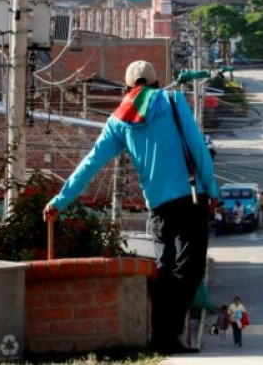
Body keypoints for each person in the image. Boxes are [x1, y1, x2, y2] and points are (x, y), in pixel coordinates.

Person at [43, 60, 218, 355]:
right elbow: (198, 147)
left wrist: (60, 200)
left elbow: (91, 163)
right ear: (156, 83)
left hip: (159, 209)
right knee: (190, 270)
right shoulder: (173, 101)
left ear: (127, 89)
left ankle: (162, 338)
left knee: (166, 272)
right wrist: (212, 190)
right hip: (191, 199)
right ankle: (166, 335)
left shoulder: (119, 120)